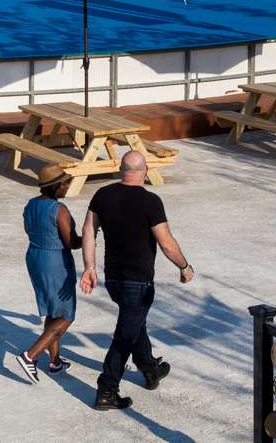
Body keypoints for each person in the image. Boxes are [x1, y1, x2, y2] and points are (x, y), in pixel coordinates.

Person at [80, 151, 194, 411]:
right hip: (138, 281)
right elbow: (166, 243)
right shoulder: (150, 201)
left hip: (114, 280)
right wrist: (184, 266)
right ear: (145, 170)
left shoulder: (103, 195)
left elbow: (88, 229)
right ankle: (107, 389)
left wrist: (89, 266)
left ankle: (150, 368)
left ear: (121, 169)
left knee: (134, 323)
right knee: (124, 335)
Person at [15, 164, 82, 385]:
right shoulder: (59, 209)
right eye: (65, 183)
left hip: (35, 256)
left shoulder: (31, 204)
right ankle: (30, 355)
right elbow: (71, 242)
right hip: (55, 262)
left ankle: (54, 362)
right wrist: (90, 236)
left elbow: (28, 229)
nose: (67, 186)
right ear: (56, 186)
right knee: (66, 315)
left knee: (54, 311)